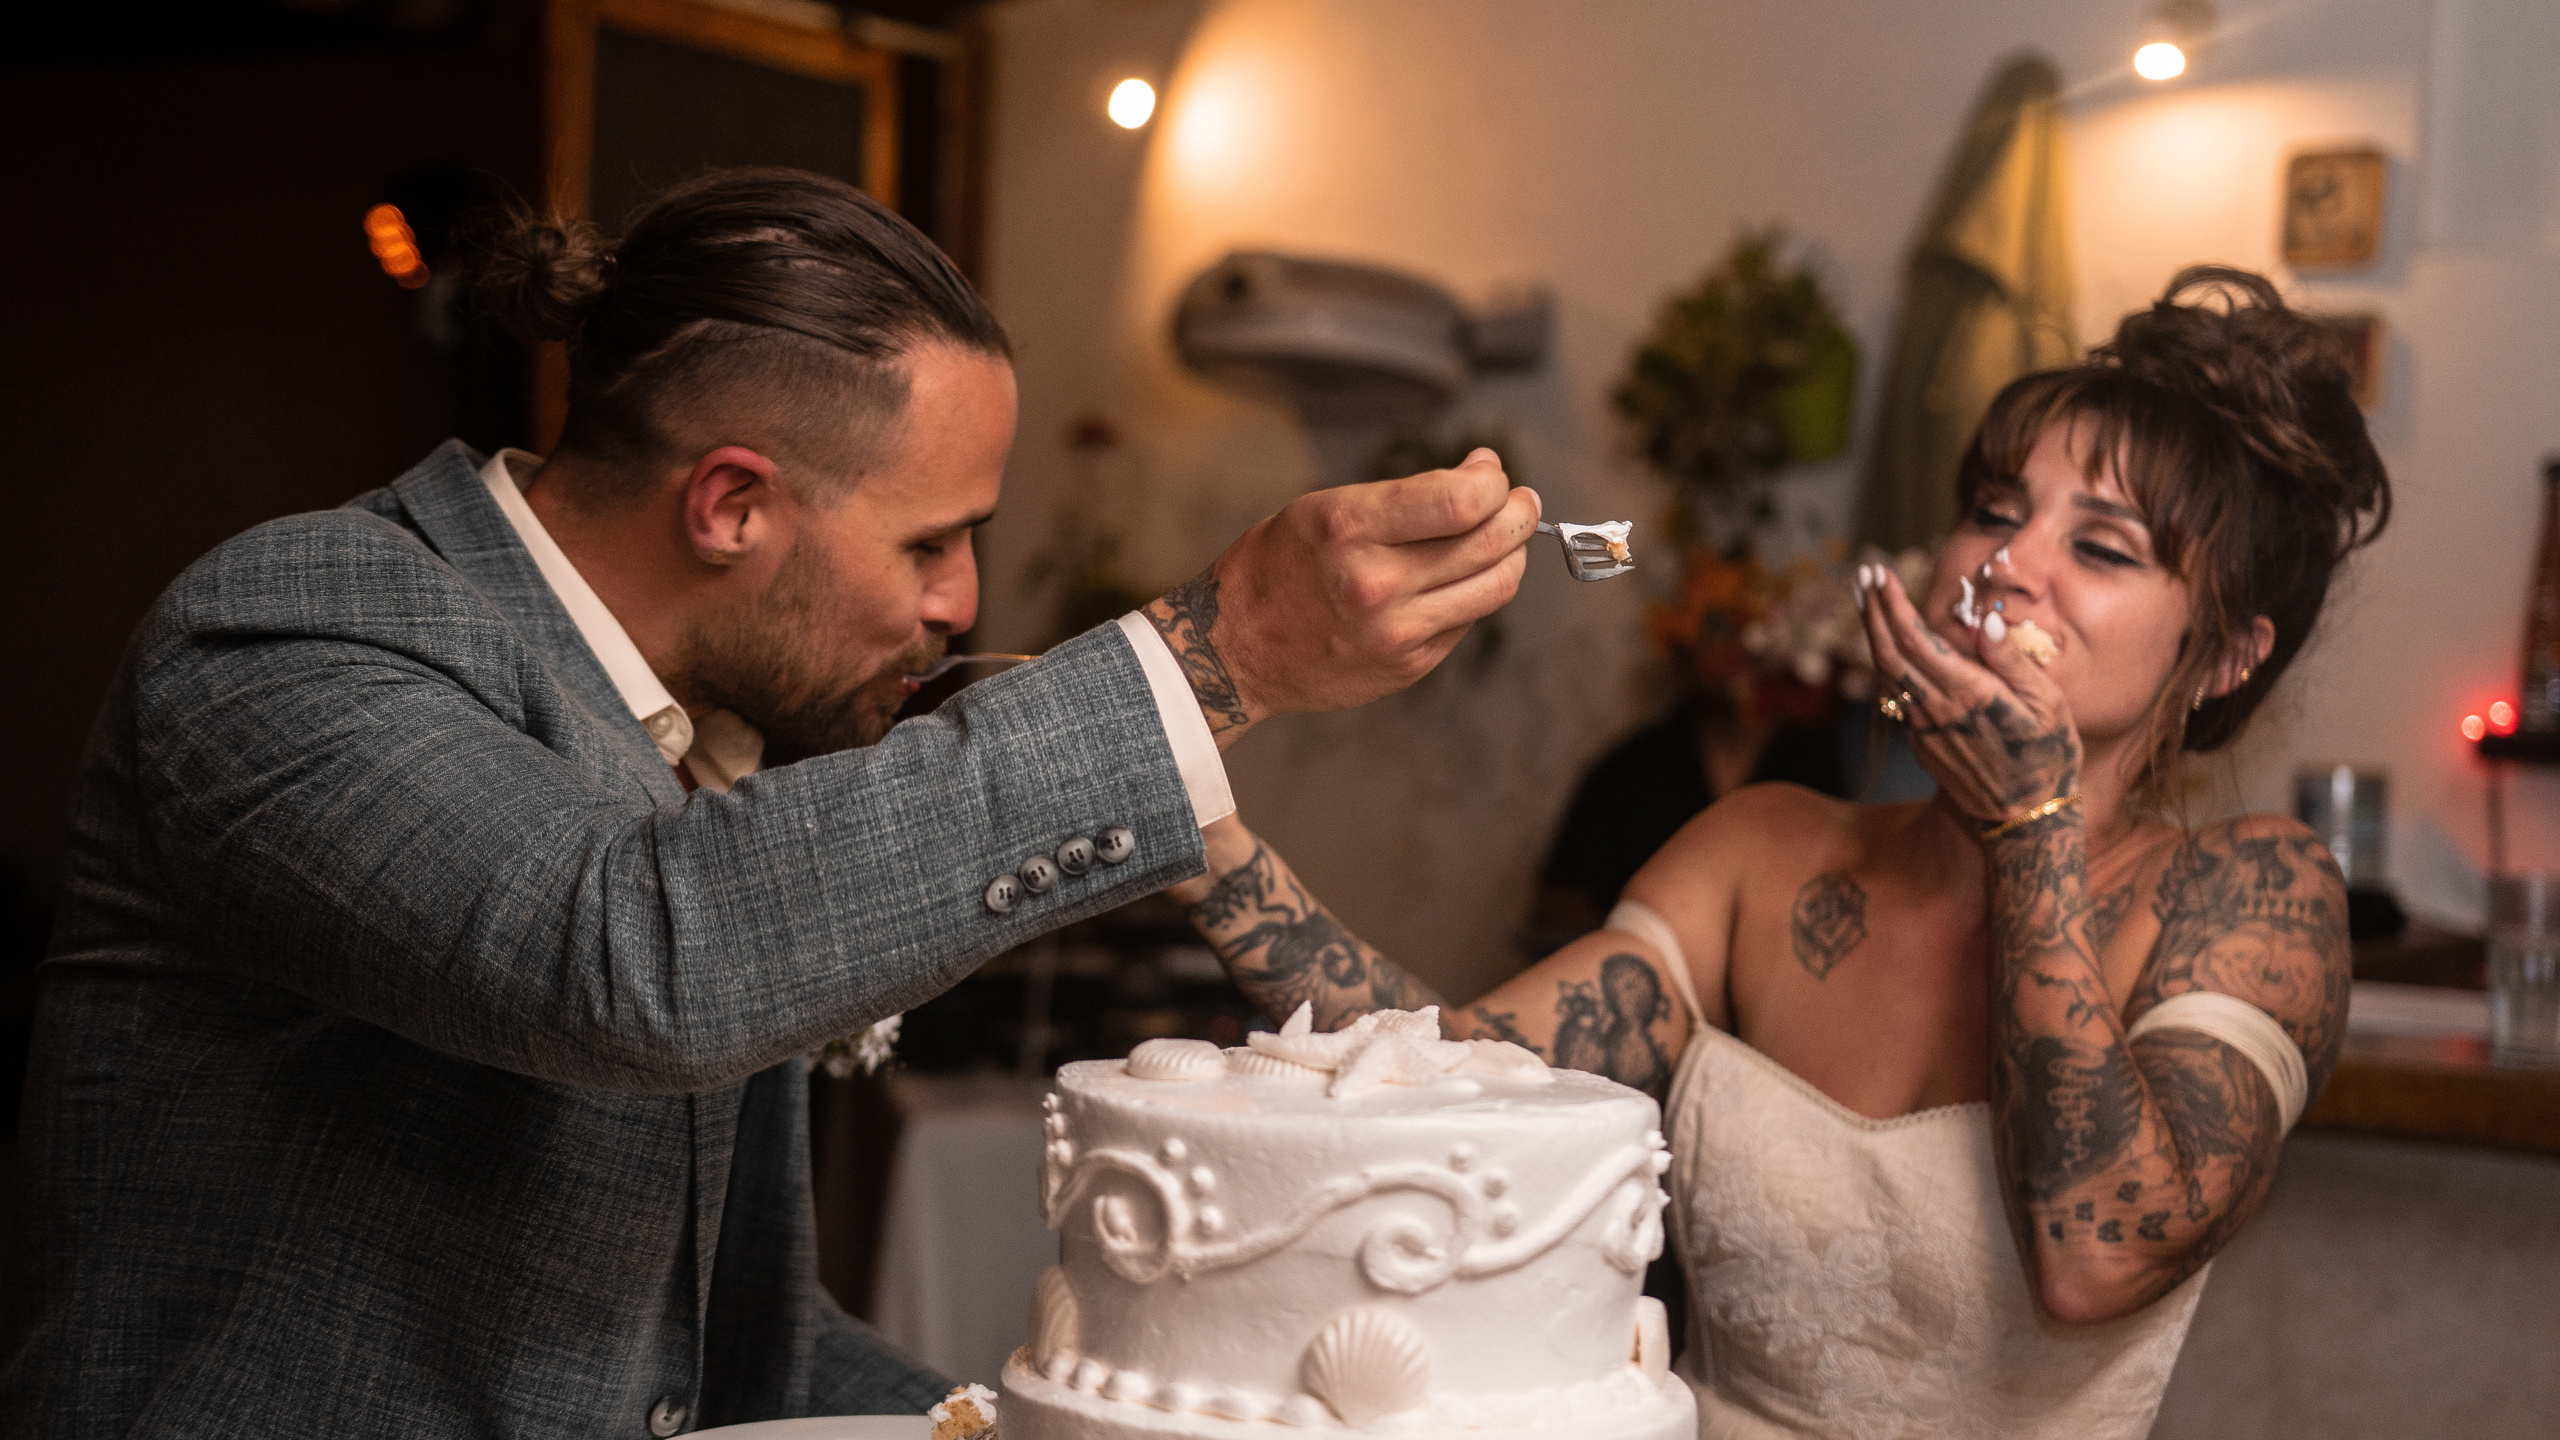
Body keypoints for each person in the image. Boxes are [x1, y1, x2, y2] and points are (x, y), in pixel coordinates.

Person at [8, 169, 1541, 1437]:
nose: (965, 601)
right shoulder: (295, 626)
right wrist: (1215, 653)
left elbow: (726, 1349)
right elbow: (628, 957)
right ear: (731, 503)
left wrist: (1045, 1428)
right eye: (931, 541)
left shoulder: (706, 739)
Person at [1169, 266, 2387, 1439]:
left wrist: (2032, 830)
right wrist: (1196, 833)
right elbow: (1448, 1084)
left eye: (2104, 549)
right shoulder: (1763, 853)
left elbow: (2094, 1261)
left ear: (2224, 657)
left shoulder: (2252, 891)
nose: (2008, 565)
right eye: (1994, 511)